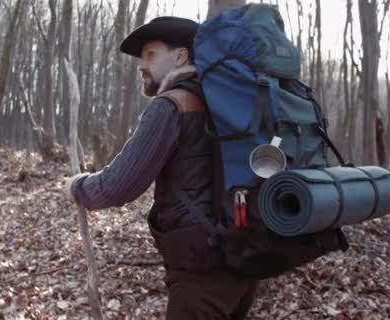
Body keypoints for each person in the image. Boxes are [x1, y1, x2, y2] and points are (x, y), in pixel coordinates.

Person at [63, 16, 258, 319]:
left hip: (201, 268)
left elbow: (120, 185)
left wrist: (79, 188)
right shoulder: (220, 101)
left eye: (151, 54)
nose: (142, 65)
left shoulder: (172, 105)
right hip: (241, 256)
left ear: (180, 56)